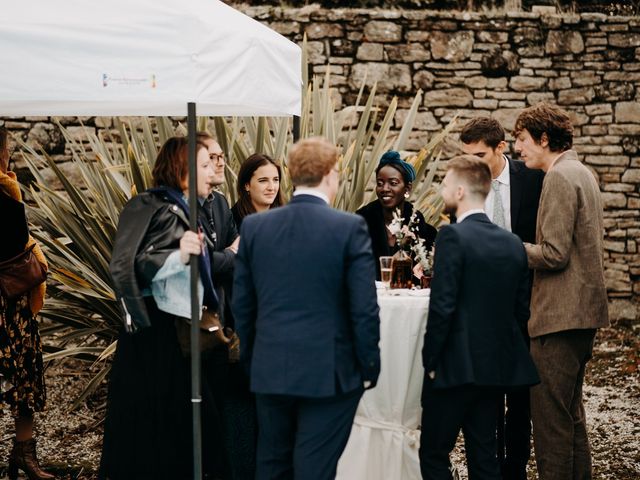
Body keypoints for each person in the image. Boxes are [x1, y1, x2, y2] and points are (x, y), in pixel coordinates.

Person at [232, 136, 380, 480]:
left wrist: (254, 360)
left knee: (272, 464)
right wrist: (369, 365)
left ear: (291, 174)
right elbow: (364, 308)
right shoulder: (348, 227)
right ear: (331, 173)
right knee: (314, 467)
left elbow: (244, 305)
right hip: (329, 372)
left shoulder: (255, 227)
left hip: (271, 368)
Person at [101, 137, 230, 479]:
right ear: (182, 171)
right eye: (203, 165)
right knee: (160, 430)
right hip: (157, 338)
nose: (211, 171)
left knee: (186, 429)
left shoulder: (185, 208)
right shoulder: (158, 207)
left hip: (174, 334)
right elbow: (133, 265)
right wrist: (179, 255)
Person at [419, 155, 539, 480]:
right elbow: (520, 311)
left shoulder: (451, 237)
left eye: (445, 184)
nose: (441, 191)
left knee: (433, 454)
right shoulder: (513, 243)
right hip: (495, 369)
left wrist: (430, 361)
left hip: (454, 368)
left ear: (460, 191)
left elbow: (442, 307)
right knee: (484, 455)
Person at [514, 103, 609, 480]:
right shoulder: (581, 172)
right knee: (572, 418)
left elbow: (553, 254)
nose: (517, 148)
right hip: (582, 315)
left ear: (543, 138)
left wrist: (506, 248)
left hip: (558, 318)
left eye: (522, 140)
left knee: (551, 426)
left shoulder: (558, 177)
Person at [460, 117, 544, 480]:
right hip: (482, 307)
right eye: (467, 156)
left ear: (501, 148)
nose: (473, 163)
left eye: (480, 154)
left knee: (521, 393)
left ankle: (515, 468)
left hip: (526, 302)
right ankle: (489, 465)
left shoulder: (534, 179)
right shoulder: (465, 184)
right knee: (486, 391)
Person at [196, 132, 256, 480]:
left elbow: (236, 255)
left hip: (222, 315)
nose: (221, 163)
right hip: (191, 319)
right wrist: (227, 255)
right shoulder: (182, 206)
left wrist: (224, 256)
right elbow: (206, 260)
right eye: (212, 158)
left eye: (221, 157)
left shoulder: (219, 203)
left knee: (219, 404)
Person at [0, 127, 53, 480]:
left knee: (23, 380)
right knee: (21, 378)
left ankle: (23, 454)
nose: (8, 156)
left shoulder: (8, 188)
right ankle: (23, 453)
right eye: (6, 149)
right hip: (7, 303)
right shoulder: (7, 190)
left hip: (13, 302)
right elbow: (17, 242)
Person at [356, 150, 437, 279]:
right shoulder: (362, 220)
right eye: (380, 183)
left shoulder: (417, 223)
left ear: (408, 188)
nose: (385, 189)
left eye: (393, 183)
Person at [231, 153, 285, 229]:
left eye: (275, 180)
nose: (271, 187)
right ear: (247, 185)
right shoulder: (233, 224)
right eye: (263, 180)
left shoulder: (286, 219)